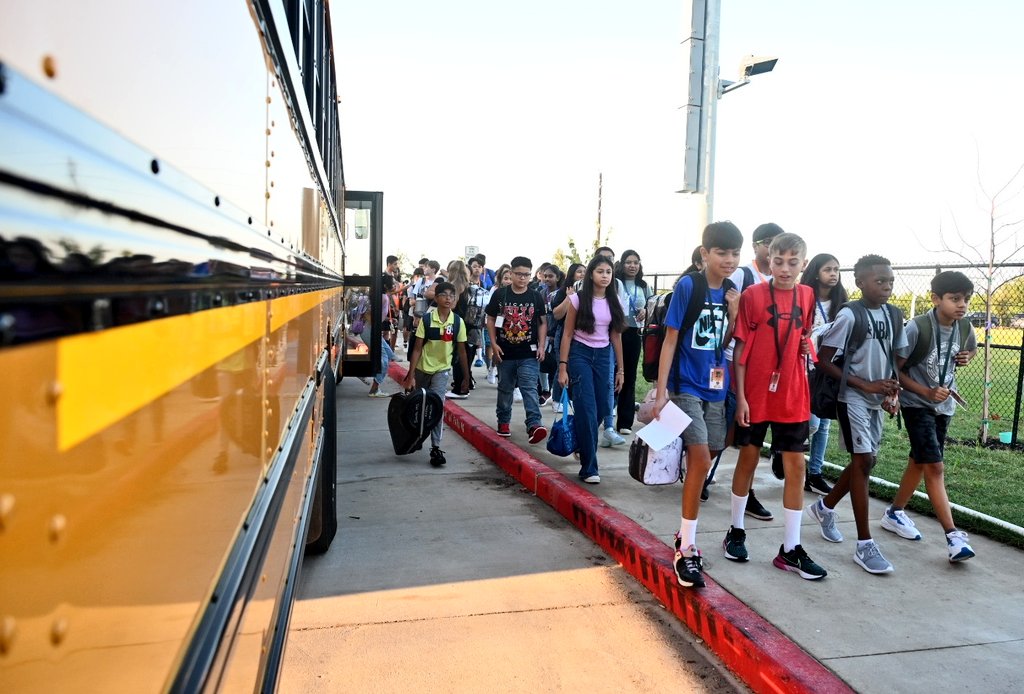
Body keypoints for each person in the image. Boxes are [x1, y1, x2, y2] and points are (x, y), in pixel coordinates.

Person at [727, 233, 827, 580]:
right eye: (778, 261)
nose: (784, 269)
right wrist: (740, 397)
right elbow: (740, 351)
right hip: (756, 392)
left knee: (796, 466)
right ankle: (736, 530)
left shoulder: (808, 295)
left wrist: (803, 348)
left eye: (792, 262)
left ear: (803, 263)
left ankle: (791, 548)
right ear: (768, 260)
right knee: (749, 458)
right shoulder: (753, 295)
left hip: (792, 394)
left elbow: (804, 338)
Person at [652, 221, 742, 588]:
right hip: (686, 386)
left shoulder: (734, 291)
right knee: (702, 458)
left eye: (735, 253)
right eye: (722, 252)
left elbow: (729, 341)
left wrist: (735, 313)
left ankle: (684, 523)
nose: (729, 260)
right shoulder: (689, 286)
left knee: (712, 451)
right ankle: (686, 546)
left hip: (717, 388)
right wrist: (661, 392)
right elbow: (670, 341)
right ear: (705, 253)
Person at [808, 254, 906, 574]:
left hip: (878, 397)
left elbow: (895, 358)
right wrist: (866, 384)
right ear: (860, 283)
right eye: (880, 282)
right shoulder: (851, 316)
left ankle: (825, 507)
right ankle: (864, 545)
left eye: (890, 281)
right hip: (851, 396)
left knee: (867, 461)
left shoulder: (894, 315)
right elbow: (823, 360)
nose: (887, 287)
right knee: (863, 461)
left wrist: (893, 391)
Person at [887, 271, 978, 561]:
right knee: (935, 467)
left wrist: (967, 357)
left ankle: (894, 513)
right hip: (918, 405)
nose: (961, 305)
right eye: (954, 299)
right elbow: (896, 368)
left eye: (965, 299)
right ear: (936, 298)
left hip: (944, 406)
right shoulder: (917, 327)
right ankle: (953, 536)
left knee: (919, 460)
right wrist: (924, 392)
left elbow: (971, 350)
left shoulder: (964, 327)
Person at [557, 255, 626, 484]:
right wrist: (563, 367)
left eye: (608, 272)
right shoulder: (577, 300)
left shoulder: (614, 301)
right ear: (591, 275)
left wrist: (621, 370)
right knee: (586, 408)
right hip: (579, 354)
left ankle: (581, 440)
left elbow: (616, 336)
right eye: (600, 271)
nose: (605, 276)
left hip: (604, 356)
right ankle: (589, 467)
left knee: (604, 407)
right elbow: (567, 334)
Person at [402, 281, 470, 467]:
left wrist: (466, 376)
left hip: (442, 370)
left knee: (437, 407)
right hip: (422, 369)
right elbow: (416, 349)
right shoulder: (426, 319)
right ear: (436, 297)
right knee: (419, 406)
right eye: (444, 295)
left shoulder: (457, 322)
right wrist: (411, 375)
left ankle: (436, 447)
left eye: (452, 295)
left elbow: (462, 351)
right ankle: (414, 437)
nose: (448, 298)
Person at [799, 253, 849, 495]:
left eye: (837, 270)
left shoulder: (842, 303)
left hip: (828, 368)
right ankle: (783, 449)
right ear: (816, 271)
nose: (833, 274)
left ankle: (815, 473)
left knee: (825, 423)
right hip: (803, 367)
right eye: (828, 269)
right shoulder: (804, 296)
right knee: (812, 423)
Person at [486, 256, 548, 444]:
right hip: (505, 352)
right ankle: (503, 421)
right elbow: (490, 318)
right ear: (511, 274)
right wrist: (494, 343)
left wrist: (542, 346)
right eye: (519, 274)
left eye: (527, 275)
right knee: (505, 388)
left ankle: (534, 424)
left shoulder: (535, 296)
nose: (523, 278)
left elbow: (542, 323)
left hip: (529, 352)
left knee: (529, 388)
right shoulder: (500, 295)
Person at [615, 249, 651, 434]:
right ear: (622, 264)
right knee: (612, 374)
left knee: (629, 376)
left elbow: (651, 307)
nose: (632, 265)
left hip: (634, 333)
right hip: (615, 333)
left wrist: (646, 310)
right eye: (628, 262)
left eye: (636, 262)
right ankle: (606, 415)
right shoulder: (615, 283)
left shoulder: (644, 286)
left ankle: (624, 422)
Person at [550, 262, 586, 412]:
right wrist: (569, 298)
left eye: (585, 271)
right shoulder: (563, 291)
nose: (582, 274)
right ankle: (557, 398)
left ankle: (571, 398)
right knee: (563, 366)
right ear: (572, 275)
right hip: (564, 333)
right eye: (579, 272)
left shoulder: (589, 293)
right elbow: (557, 314)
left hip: (581, 335)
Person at [446, 260, 476, 399]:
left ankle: (460, 388)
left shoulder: (452, 287)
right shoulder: (470, 287)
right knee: (466, 358)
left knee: (458, 358)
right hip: (470, 327)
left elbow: (450, 307)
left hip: (456, 325)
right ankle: (466, 383)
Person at [368, 275, 399, 397]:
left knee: (389, 353)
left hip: (371, 329)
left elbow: (377, 314)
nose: (395, 285)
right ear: (386, 285)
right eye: (392, 283)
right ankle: (374, 389)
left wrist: (388, 319)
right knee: (384, 358)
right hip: (371, 330)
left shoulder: (381, 296)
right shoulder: (384, 298)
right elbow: (372, 315)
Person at [483, 263, 512, 384]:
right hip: (497, 323)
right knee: (496, 349)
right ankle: (492, 368)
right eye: (506, 278)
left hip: (510, 326)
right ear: (500, 279)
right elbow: (490, 310)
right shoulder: (496, 291)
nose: (509, 281)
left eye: (511, 278)